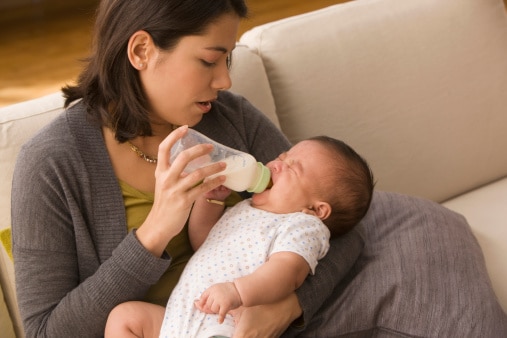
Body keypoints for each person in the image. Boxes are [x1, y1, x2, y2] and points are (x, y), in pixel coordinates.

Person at [10, 1, 363, 337]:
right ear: (141, 51)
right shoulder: (50, 164)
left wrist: (287, 307)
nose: (225, 81)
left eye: (228, 59)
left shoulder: (228, 118)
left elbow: (338, 228)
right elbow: (46, 331)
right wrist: (154, 233)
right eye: (210, 61)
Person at [104, 135, 375, 337]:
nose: (276, 164)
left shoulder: (302, 226)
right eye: (281, 157)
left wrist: (237, 291)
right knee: (125, 317)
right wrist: (209, 203)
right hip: (181, 317)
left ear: (316, 209)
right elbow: (205, 242)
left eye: (292, 168)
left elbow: (288, 273)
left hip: (224, 325)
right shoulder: (246, 208)